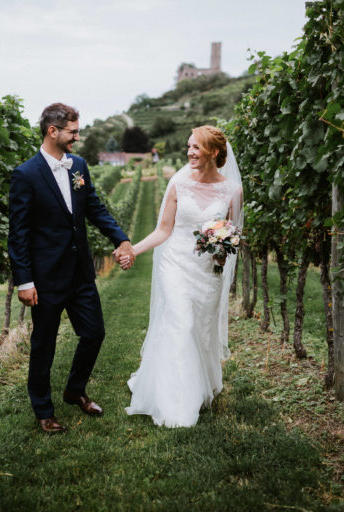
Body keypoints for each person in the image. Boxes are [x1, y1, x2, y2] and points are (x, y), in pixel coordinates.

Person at [8, 103, 135, 434]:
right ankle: (43, 410)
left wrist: (121, 238)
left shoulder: (78, 166)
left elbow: (94, 206)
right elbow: (18, 234)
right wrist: (24, 280)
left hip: (80, 271)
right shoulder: (25, 174)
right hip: (46, 277)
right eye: (73, 132)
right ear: (53, 131)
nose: (78, 138)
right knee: (44, 345)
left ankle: (74, 390)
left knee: (94, 333)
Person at [122, 125, 243, 427]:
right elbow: (164, 229)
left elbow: (233, 234)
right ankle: (176, 403)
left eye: (196, 148)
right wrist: (134, 250)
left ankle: (200, 384)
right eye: (188, 147)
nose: (189, 152)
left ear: (214, 152)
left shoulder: (233, 190)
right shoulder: (178, 182)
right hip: (175, 262)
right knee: (181, 322)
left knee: (200, 329)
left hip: (207, 270)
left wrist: (220, 249)